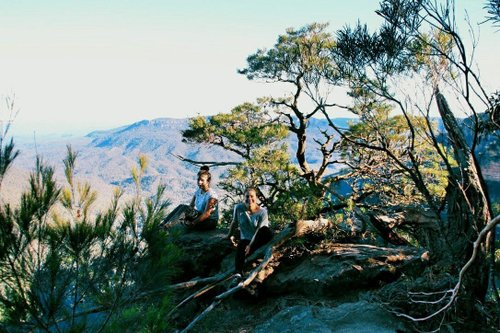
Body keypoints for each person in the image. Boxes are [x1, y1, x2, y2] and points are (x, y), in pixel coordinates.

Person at [227, 187, 273, 274]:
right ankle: (238, 273)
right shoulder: (239, 208)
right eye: (247, 196)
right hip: (246, 239)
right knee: (241, 246)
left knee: (265, 230)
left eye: (252, 196)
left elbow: (259, 230)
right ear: (244, 197)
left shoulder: (262, 212)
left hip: (258, 238)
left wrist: (250, 245)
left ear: (256, 197)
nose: (249, 199)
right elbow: (234, 222)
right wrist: (228, 236)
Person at [161, 166, 219, 230]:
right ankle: (163, 224)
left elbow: (207, 214)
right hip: (200, 216)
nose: (199, 182)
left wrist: (193, 223)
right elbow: (191, 206)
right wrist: (185, 216)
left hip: (209, 222)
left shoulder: (212, 195)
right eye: (198, 179)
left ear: (208, 181)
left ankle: (167, 227)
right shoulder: (198, 191)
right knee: (182, 206)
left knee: (184, 208)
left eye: (202, 180)